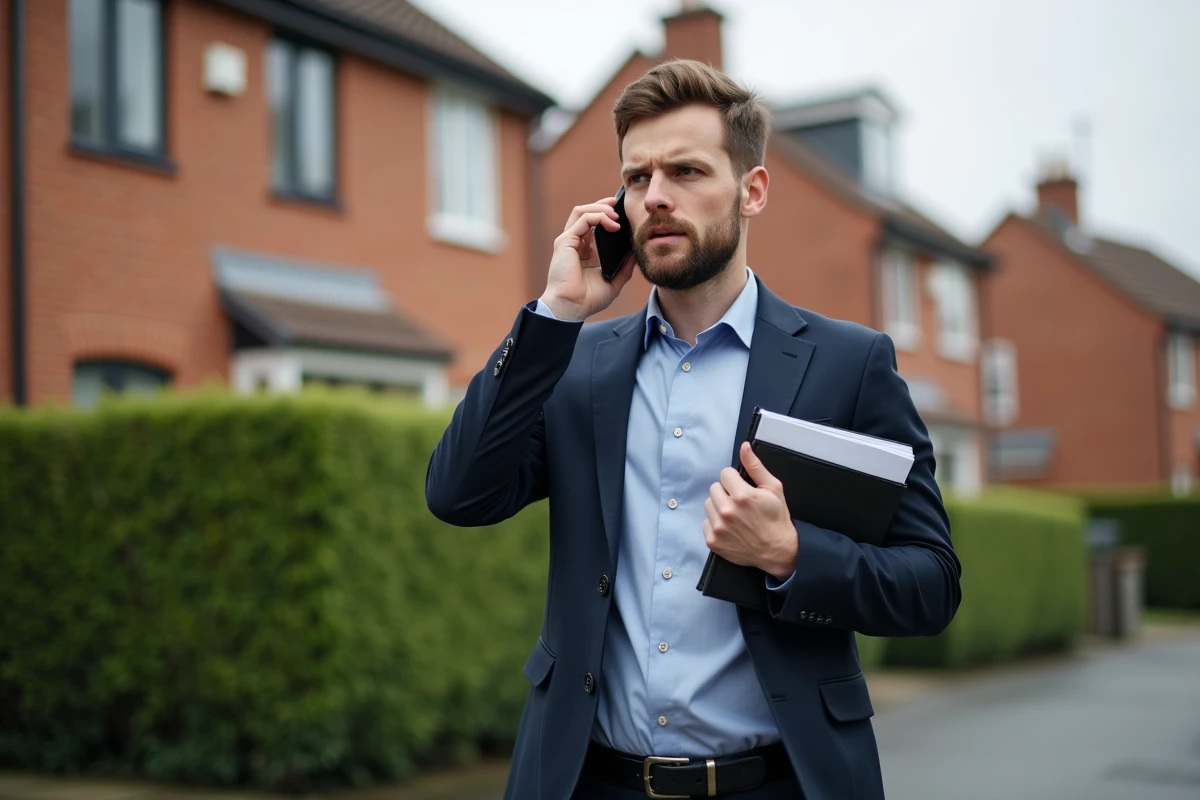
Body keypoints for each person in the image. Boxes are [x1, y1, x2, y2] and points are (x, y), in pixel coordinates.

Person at [425, 58, 960, 800]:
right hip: (588, 781)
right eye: (637, 177)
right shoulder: (576, 364)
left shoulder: (848, 365)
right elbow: (457, 494)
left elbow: (931, 584)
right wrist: (554, 315)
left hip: (778, 782)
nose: (656, 196)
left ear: (752, 190)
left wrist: (791, 554)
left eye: (686, 171)